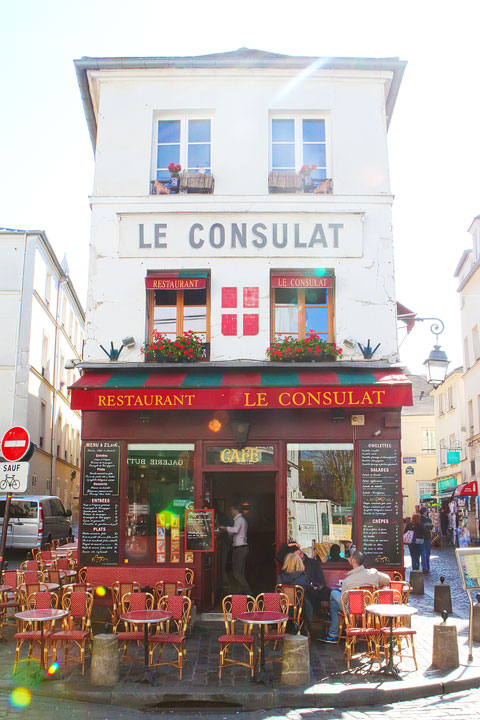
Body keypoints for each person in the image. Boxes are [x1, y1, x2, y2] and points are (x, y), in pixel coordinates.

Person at [319, 550, 390, 643]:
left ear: (353, 561)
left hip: (353, 612)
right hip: (371, 609)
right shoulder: (374, 573)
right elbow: (388, 579)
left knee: (334, 596)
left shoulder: (348, 581)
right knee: (335, 602)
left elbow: (343, 600)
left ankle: (333, 634)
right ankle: (333, 633)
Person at [277, 552, 313, 634]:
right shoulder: (303, 577)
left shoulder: (280, 576)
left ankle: (288, 628)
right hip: (300, 610)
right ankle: (306, 630)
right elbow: (310, 591)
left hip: (284, 609)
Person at [219, 503, 251, 595]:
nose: (230, 512)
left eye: (231, 510)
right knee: (239, 572)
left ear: (236, 510)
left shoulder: (239, 519)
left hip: (240, 549)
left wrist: (224, 528)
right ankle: (242, 593)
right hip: (240, 548)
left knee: (237, 573)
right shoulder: (240, 519)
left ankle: (248, 592)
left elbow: (235, 530)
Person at [420, 507, 433, 573]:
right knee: (427, 552)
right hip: (427, 537)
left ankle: (424, 567)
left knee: (422, 552)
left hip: (420, 537)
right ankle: (427, 566)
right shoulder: (428, 520)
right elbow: (431, 527)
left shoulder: (418, 519)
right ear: (425, 512)